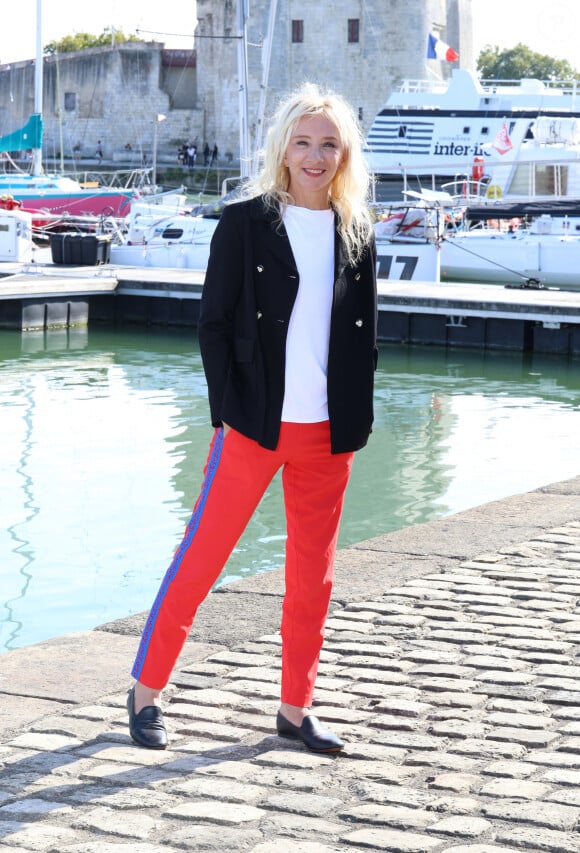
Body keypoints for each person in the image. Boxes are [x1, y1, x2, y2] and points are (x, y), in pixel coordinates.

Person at [127, 82, 377, 754]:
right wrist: (224, 414)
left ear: (345, 153)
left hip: (328, 435)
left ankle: (296, 709)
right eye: (303, 142)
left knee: (311, 578)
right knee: (199, 560)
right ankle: (147, 692)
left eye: (328, 143)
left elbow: (362, 337)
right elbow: (212, 324)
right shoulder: (244, 223)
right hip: (253, 426)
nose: (315, 155)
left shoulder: (356, 231)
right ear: (284, 149)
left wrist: (358, 417)